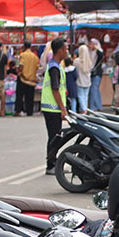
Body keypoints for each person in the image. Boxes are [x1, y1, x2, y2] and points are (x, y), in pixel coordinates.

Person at [41, 37, 69, 176]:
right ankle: (50, 164)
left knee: (56, 135)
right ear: (60, 50)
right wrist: (63, 109)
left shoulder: (56, 65)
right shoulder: (54, 68)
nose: (67, 51)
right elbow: (55, 89)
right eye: (66, 49)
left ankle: (54, 162)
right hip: (51, 108)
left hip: (54, 107)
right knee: (54, 136)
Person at [15, 41, 39, 117]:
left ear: (24, 46)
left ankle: (18, 111)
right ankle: (29, 111)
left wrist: (19, 71)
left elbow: (20, 65)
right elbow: (37, 67)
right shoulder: (35, 57)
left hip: (22, 78)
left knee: (19, 95)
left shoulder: (22, 55)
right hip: (31, 80)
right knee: (30, 97)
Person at [73, 40, 93, 113]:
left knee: (80, 96)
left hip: (79, 80)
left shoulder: (76, 61)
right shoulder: (89, 61)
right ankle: (85, 109)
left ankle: (84, 109)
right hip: (87, 81)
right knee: (85, 96)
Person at [88, 37, 104, 111]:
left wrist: (96, 48)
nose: (89, 45)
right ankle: (96, 106)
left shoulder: (98, 51)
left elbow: (101, 55)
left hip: (97, 73)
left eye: (91, 44)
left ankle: (94, 106)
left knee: (94, 89)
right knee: (94, 89)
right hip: (90, 73)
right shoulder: (88, 52)